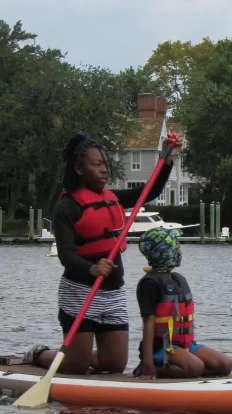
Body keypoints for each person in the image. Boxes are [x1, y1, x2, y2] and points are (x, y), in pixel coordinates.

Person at [23, 131, 181, 374]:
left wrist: (167, 159)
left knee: (114, 365)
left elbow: (150, 191)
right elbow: (66, 255)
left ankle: (83, 354)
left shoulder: (113, 199)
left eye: (105, 165)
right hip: (79, 292)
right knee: (75, 366)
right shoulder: (67, 207)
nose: (104, 170)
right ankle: (41, 354)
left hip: (113, 294)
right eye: (96, 165)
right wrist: (92, 268)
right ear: (79, 168)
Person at [132, 227, 232, 380]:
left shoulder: (178, 279)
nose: (180, 249)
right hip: (161, 347)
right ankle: (150, 367)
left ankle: (185, 366)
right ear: (165, 251)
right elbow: (148, 324)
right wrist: (148, 364)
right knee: (195, 367)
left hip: (186, 344)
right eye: (176, 245)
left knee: (225, 364)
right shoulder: (149, 283)